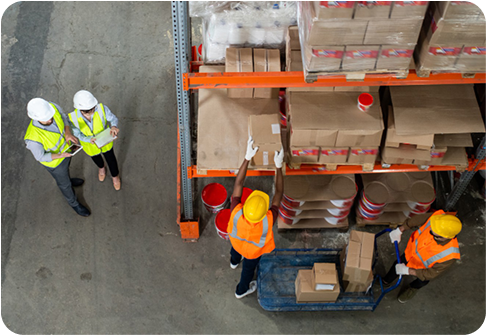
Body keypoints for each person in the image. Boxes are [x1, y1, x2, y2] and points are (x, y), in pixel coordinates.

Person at [227, 137, 284, 299]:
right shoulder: (267, 221)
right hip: (252, 253)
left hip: (237, 242)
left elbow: (238, 183)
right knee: (248, 271)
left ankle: (233, 261)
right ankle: (241, 290)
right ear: (264, 212)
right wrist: (278, 166)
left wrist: (247, 157)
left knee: (236, 251)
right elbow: (279, 193)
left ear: (246, 206)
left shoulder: (236, 211)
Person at [24, 98, 90, 217]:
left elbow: (63, 117)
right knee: (64, 184)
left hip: (67, 150)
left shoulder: (52, 107)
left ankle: (68, 180)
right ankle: (74, 203)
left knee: (66, 173)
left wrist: (67, 132)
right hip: (55, 163)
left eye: (50, 116)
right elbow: (40, 157)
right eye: (45, 119)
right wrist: (60, 155)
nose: (50, 119)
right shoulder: (33, 138)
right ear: (35, 118)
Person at [384, 210, 461, 303]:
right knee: (397, 265)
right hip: (410, 254)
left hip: (424, 269)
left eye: (433, 232)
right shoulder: (438, 218)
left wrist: (409, 271)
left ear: (444, 237)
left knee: (421, 281)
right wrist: (400, 229)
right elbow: (417, 219)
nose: (430, 229)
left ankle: (412, 288)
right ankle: (386, 281)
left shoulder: (450, 254)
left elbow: (431, 274)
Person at [69, 90, 121, 190]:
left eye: (92, 110)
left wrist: (113, 126)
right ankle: (101, 169)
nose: (90, 114)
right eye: (86, 112)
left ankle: (115, 177)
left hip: (105, 141)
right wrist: (88, 139)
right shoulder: (72, 118)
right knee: (96, 158)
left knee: (111, 159)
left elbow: (113, 118)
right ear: (79, 109)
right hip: (90, 145)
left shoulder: (101, 108)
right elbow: (77, 134)